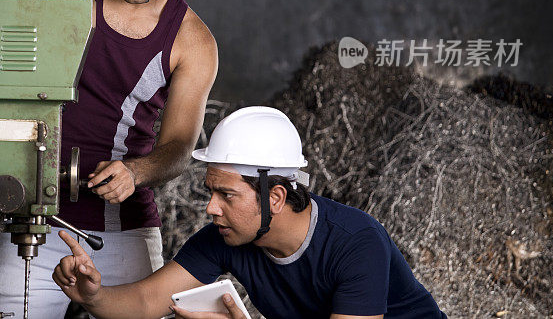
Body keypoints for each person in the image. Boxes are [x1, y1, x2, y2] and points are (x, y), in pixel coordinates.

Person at [0, 0, 219, 318]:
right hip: (32, 221)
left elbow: (180, 146)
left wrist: (137, 170)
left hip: (124, 229)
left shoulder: (193, 41)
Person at [51, 106, 447, 319]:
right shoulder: (228, 238)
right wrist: (93, 295)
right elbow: (145, 301)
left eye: (226, 194)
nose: (210, 208)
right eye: (211, 192)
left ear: (275, 197)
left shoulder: (355, 242)